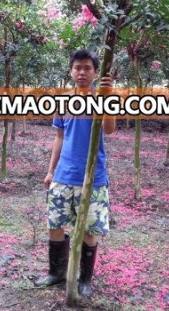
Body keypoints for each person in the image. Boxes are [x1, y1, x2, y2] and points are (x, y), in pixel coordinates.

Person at [34, 49, 116, 297]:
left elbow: (110, 129)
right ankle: (56, 273)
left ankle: (85, 279)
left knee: (91, 230)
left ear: (95, 72)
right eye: (77, 67)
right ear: (71, 71)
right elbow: (59, 138)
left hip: (94, 177)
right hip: (63, 176)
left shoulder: (102, 98)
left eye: (87, 68)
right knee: (55, 225)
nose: (82, 72)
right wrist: (50, 171)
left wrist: (107, 96)